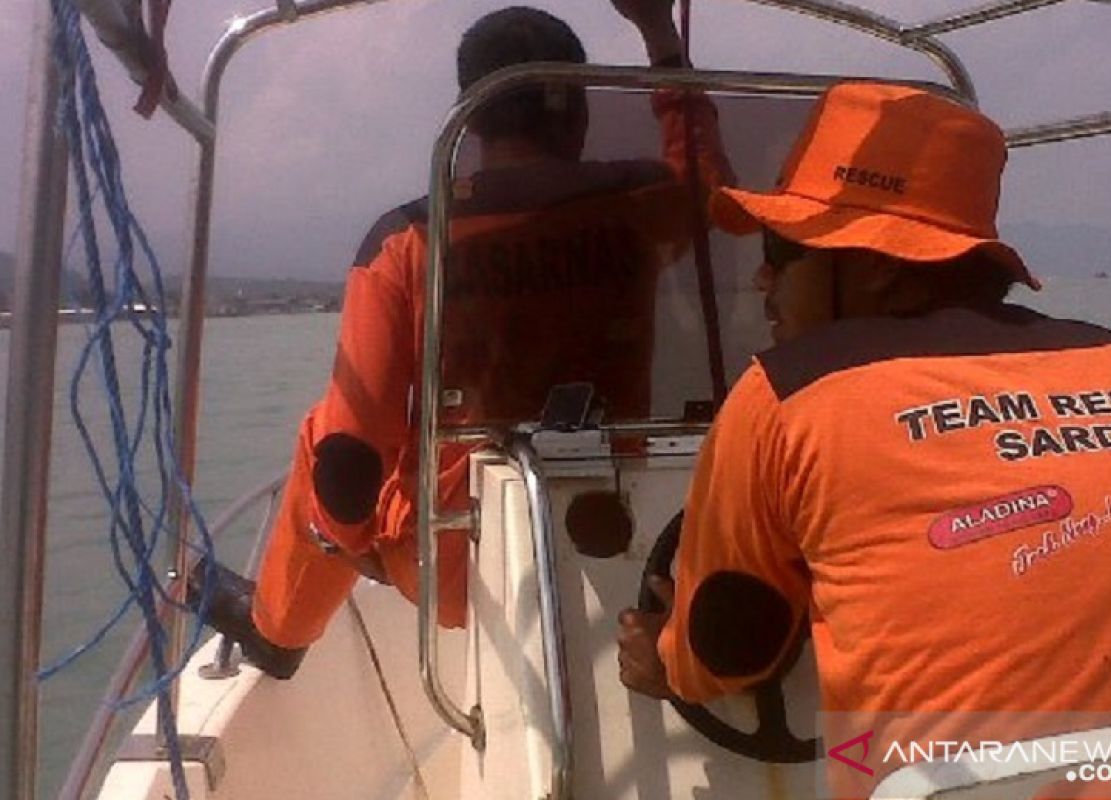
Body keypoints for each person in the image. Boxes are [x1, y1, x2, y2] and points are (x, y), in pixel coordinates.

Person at [617, 81, 1111, 793]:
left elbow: (728, 650)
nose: (764, 277)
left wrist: (661, 656)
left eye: (782, 248)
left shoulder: (787, 392)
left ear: (882, 269)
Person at [189, 1, 732, 678]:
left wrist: (349, 543)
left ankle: (280, 630)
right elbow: (714, 189)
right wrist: (658, 34)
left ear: (470, 119)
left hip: (457, 567)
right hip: (625, 532)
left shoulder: (409, 239)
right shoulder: (642, 204)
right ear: (582, 112)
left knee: (323, 434)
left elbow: (353, 453)